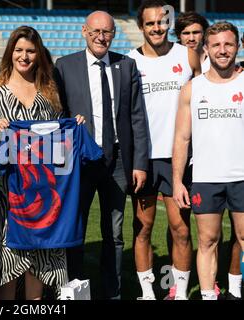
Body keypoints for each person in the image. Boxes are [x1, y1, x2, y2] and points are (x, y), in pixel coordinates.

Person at [0, 25, 85, 300]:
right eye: (19, 50)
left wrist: (74, 130)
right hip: (5, 197)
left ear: (38, 54)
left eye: (30, 51)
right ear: (10, 52)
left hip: (42, 194)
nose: (24, 57)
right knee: (7, 268)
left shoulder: (49, 92)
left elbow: (59, 144)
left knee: (38, 267)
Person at [54, 11, 148, 300]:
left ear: (113, 34)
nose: (101, 37)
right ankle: (75, 291)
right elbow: (58, 115)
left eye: (106, 32)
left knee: (115, 234)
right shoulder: (64, 66)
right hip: (80, 161)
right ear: (84, 31)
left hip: (118, 160)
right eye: (95, 31)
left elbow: (137, 117)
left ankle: (112, 293)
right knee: (75, 231)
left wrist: (140, 164)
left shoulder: (126, 65)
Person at [127, 0, 201, 300]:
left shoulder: (188, 55)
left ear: (168, 23)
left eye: (161, 22)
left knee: (180, 230)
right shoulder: (130, 61)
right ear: (141, 27)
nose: (157, 28)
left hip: (179, 158)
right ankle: (148, 293)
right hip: (144, 159)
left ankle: (178, 293)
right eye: (150, 23)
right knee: (143, 229)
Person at [172, 21, 244, 301]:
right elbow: (181, 139)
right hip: (205, 177)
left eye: (228, 44)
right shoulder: (192, 89)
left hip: (242, 177)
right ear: (206, 48)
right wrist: (178, 181)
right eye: (216, 45)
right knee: (207, 241)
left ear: (237, 46)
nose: (222, 50)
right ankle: (207, 296)